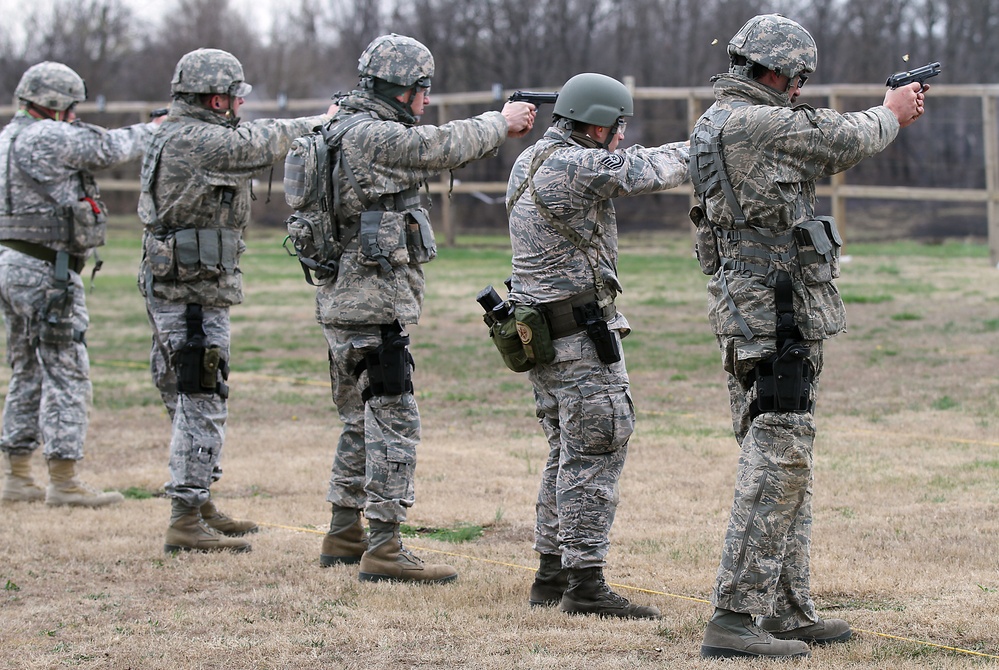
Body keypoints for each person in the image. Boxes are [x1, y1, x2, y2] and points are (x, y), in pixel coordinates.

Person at [689, 14, 927, 659]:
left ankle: (788, 607)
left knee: (783, 453)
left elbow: (811, 131)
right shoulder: (754, 122)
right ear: (774, 72)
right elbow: (842, 139)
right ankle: (736, 618)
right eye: (796, 79)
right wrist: (891, 112)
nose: (799, 89)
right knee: (778, 455)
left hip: (759, 307)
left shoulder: (721, 120)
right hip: (775, 312)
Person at [308, 33, 534, 583]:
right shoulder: (370, 136)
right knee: (393, 423)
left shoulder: (333, 126)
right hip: (372, 304)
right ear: (398, 90)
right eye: (421, 90)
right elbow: (437, 147)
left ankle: (344, 533)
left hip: (343, 300)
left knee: (359, 422)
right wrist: (500, 123)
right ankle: (383, 548)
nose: (426, 101)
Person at [505, 72, 689, 617]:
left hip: (545, 336)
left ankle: (551, 574)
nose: (622, 137)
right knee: (595, 453)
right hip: (579, 341)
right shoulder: (575, 164)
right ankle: (584, 585)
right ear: (596, 124)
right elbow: (650, 170)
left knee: (564, 453)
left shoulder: (531, 160)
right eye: (618, 127)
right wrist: (710, 140)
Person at [138, 48, 336, 553]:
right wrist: (325, 120)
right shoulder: (198, 138)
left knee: (189, 390)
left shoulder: (168, 129)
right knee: (202, 392)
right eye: (232, 98)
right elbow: (262, 141)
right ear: (216, 97)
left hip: (181, 283)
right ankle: (186, 517)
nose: (237, 108)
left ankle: (200, 503)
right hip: (192, 291)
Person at [0, 62, 156, 507]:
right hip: (46, 269)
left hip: (11, 263)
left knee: (25, 368)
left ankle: (17, 474)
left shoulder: (8, 137)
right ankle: (64, 479)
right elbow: (107, 148)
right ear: (55, 103)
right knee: (66, 369)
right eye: (70, 107)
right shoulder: (44, 135)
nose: (73, 114)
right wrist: (158, 128)